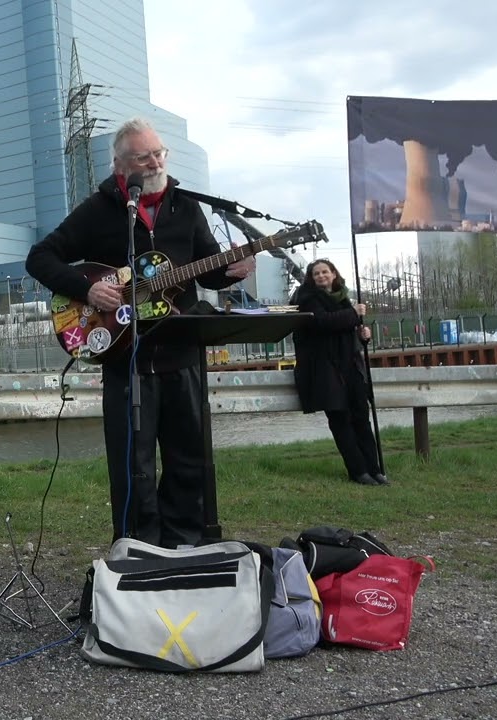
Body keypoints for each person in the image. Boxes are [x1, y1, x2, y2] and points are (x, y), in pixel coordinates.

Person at [26, 117, 254, 548]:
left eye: (159, 153)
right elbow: (40, 258)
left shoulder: (186, 206)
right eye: (143, 156)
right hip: (125, 357)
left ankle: (185, 544)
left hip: (182, 354)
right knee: (135, 465)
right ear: (120, 163)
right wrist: (88, 289)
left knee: (189, 459)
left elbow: (209, 268)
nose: (155, 162)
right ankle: (137, 546)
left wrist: (233, 270)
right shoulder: (99, 210)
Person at [289, 259, 387, 486]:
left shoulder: (343, 298)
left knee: (361, 417)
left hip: (349, 366)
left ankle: (375, 469)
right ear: (311, 278)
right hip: (324, 370)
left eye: (325, 272)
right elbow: (323, 323)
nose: (321, 276)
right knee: (341, 420)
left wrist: (363, 335)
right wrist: (353, 314)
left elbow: (347, 331)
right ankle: (358, 471)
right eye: (316, 274)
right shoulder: (307, 299)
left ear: (334, 274)